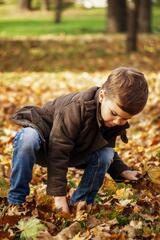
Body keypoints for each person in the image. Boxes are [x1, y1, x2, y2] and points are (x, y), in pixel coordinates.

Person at [8, 67, 148, 213]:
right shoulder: (76, 108)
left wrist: (123, 171)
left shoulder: (113, 120)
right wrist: (59, 197)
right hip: (45, 142)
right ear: (102, 96)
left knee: (106, 154)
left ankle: (81, 203)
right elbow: (58, 150)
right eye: (114, 113)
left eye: (125, 118)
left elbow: (104, 148)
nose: (118, 121)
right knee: (27, 139)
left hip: (73, 150)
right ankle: (17, 200)